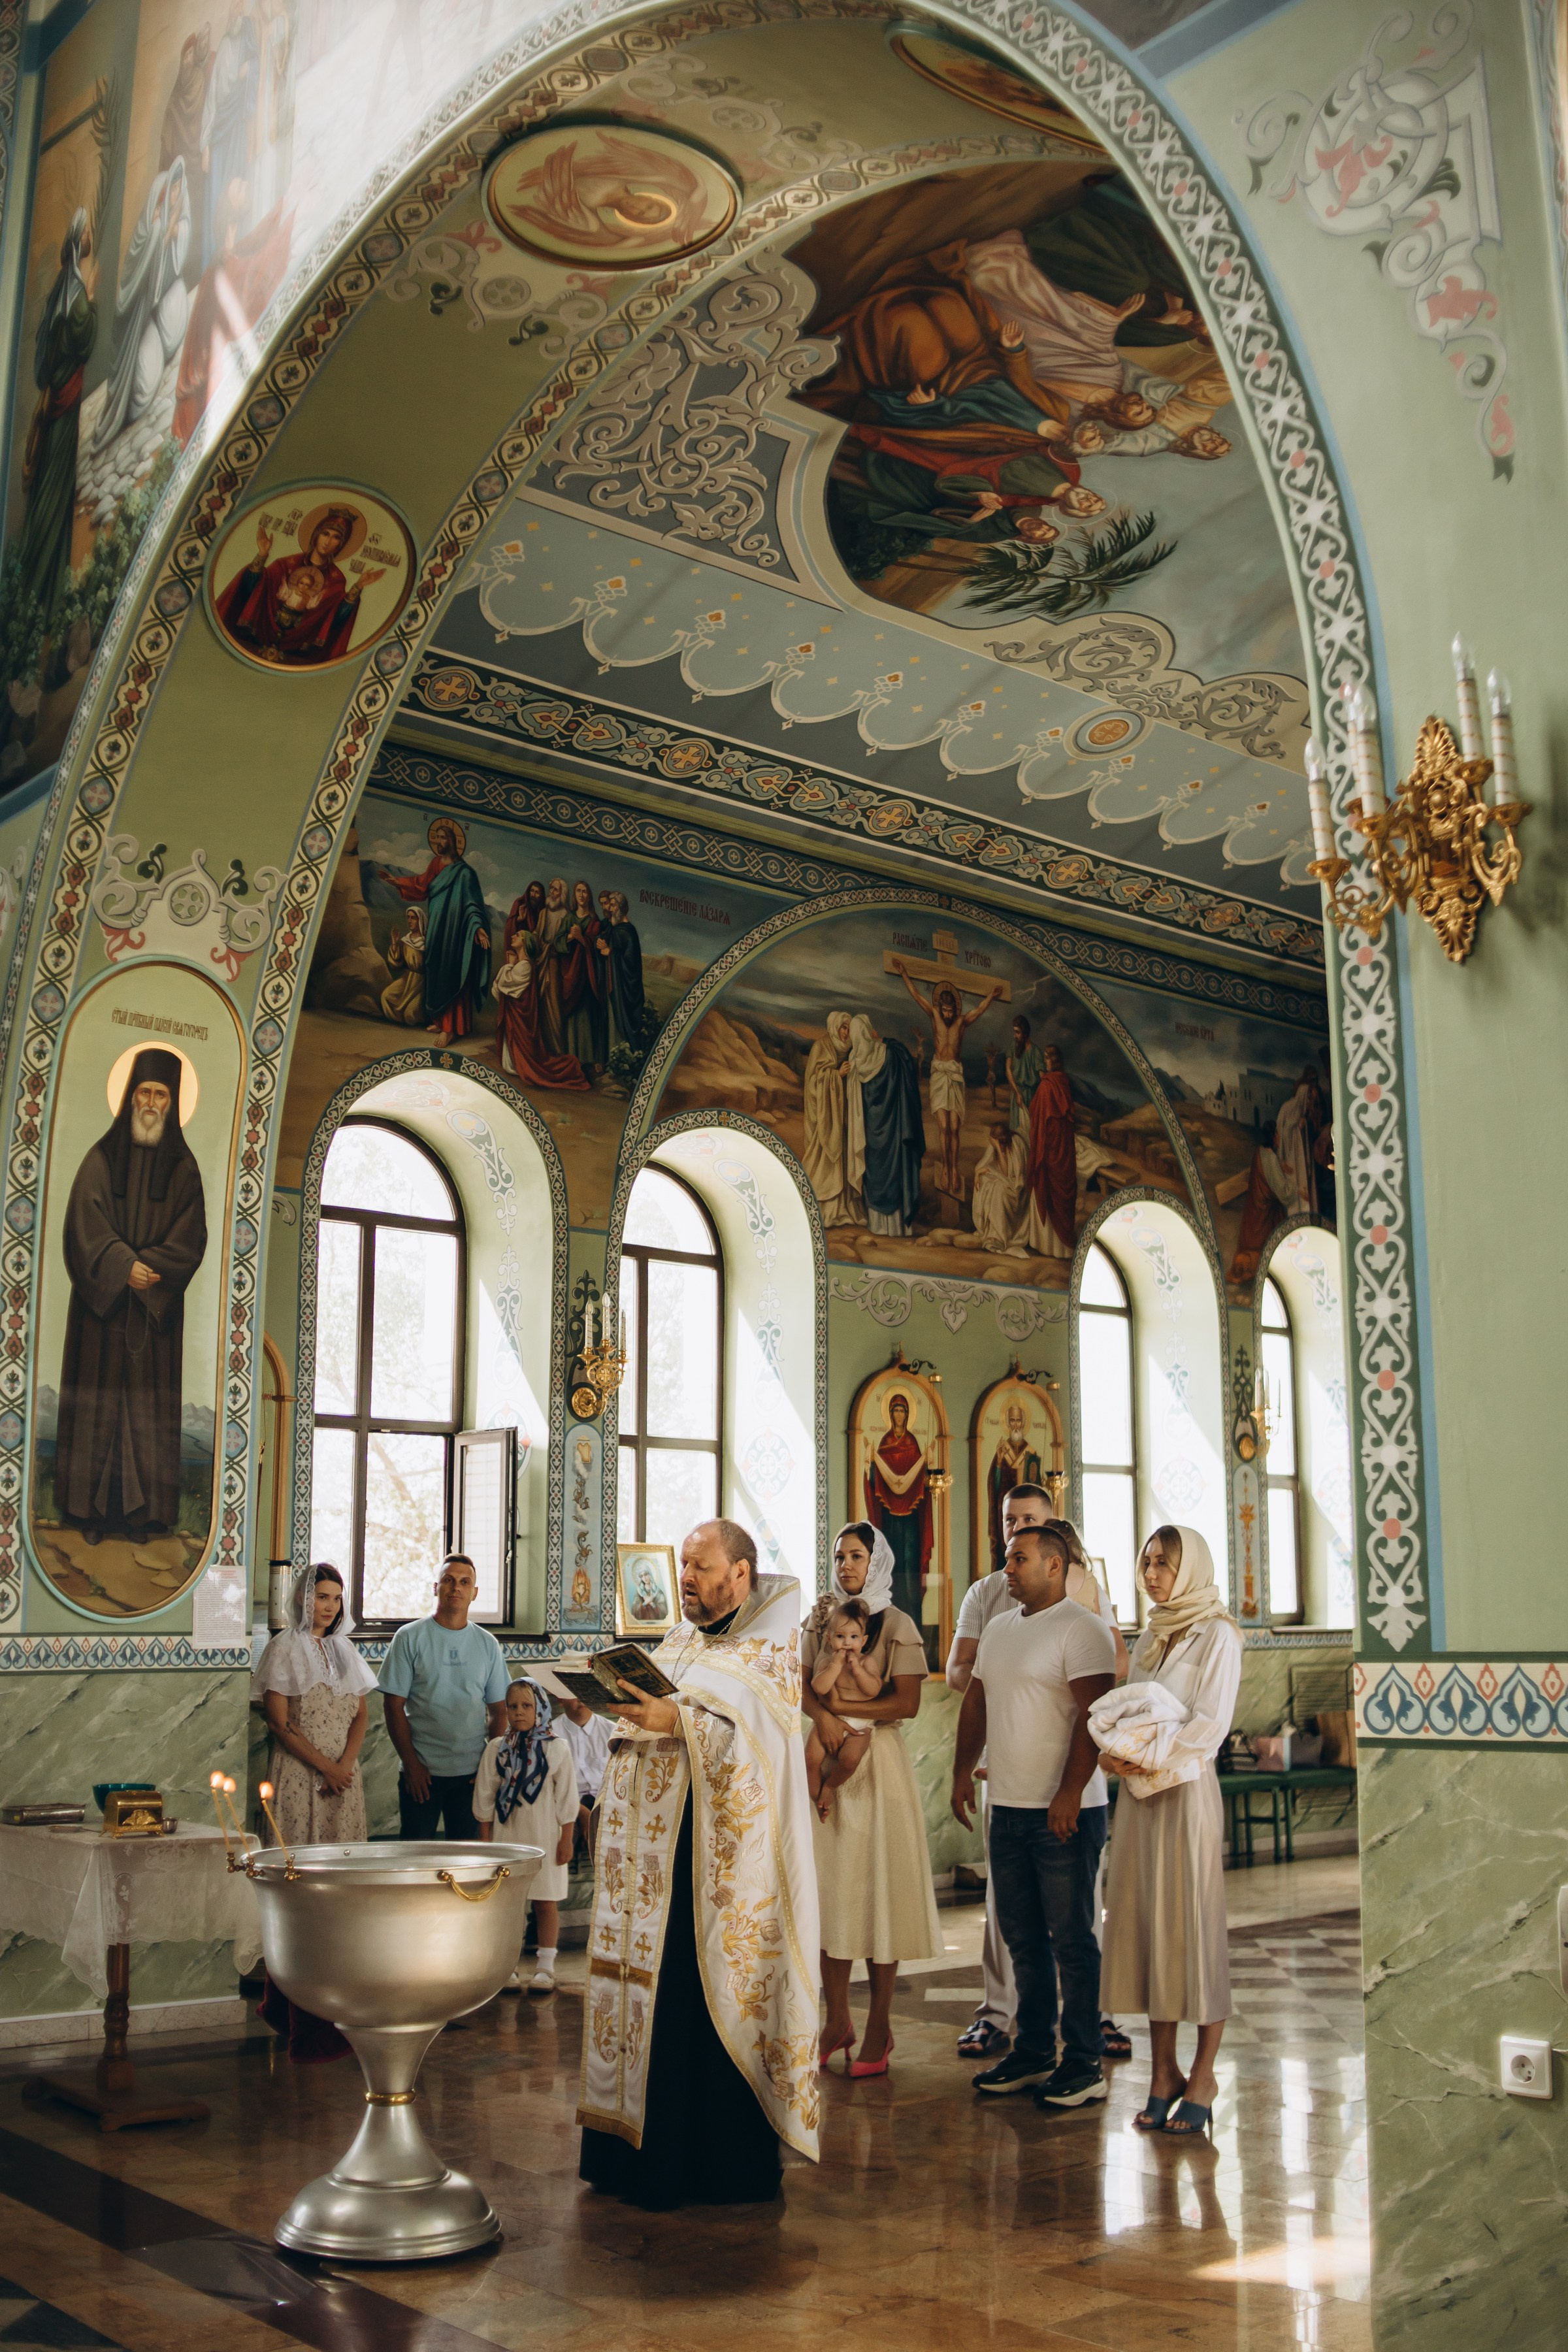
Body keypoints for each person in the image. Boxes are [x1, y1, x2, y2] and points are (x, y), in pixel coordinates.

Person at [578, 1519, 819, 2208]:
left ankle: (707, 2168)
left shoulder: (770, 1653)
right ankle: (629, 2161)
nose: (685, 1576)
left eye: (700, 1565)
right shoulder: (680, 1640)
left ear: (739, 1574)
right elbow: (658, 1713)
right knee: (645, 2003)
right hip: (652, 1865)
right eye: (682, 1563)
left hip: (712, 1874)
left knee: (696, 2004)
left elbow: (752, 1744)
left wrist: (673, 1722)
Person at [947, 1490, 1129, 2065]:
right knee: (1022, 1938)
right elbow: (974, 1702)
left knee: (1072, 1939)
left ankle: (1081, 2057)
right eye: (1006, 1553)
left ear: (1055, 1563)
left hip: (1065, 1809)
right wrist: (958, 1775)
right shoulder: (999, 1625)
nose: (1007, 1568)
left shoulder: (1084, 1628)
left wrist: (1070, 1791)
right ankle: (1029, 2050)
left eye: (1018, 1556)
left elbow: (1092, 1716)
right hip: (1009, 1802)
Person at [1097, 1524, 1242, 2138]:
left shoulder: (1219, 1635)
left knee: (1194, 1930)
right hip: (1140, 1798)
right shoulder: (1153, 1635)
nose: (1151, 1573)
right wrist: (1114, 1753)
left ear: (1191, 1569)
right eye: (1146, 1561)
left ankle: (1204, 2076)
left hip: (1185, 1796)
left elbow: (1207, 1726)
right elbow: (1129, 1710)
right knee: (1148, 1928)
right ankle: (1163, 2074)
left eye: (1164, 1563)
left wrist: (1144, 1757)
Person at [54, 1049, 207, 1544]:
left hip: (154, 1318)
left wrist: (155, 1270)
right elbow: (83, 1223)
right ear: (129, 1096)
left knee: (145, 1414)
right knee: (98, 1408)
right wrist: (124, 1266)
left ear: (173, 1101)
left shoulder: (184, 1169)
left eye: (161, 1094)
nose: (151, 1102)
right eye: (144, 1092)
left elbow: (192, 1237)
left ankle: (144, 1517)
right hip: (101, 1316)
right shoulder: (101, 1158)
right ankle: (89, 1513)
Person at [804, 1524, 939, 2078]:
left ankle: (879, 2025)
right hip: (829, 1755)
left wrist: (854, 1721)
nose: (845, 1564)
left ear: (877, 1561)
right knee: (830, 1893)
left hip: (877, 1766)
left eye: (857, 1555)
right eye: (838, 1555)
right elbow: (800, 1686)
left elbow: (906, 1705)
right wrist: (827, 1719)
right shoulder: (821, 1619)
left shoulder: (898, 1624)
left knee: (879, 1893)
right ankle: (836, 2020)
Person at [378, 1553, 510, 1841]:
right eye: (448, 1580)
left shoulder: (488, 1645)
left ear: (474, 1593)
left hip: (471, 1775)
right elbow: (393, 1706)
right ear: (435, 1587)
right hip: (420, 1774)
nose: (456, 1588)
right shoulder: (409, 1637)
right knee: (416, 1860)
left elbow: (500, 1710)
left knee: (468, 1862)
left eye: (465, 1582)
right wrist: (411, 1765)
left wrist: (489, 1765)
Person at [252, 1561, 377, 1844]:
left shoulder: (345, 1649)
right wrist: (327, 1768)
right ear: (302, 1598)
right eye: (322, 1598)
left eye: (336, 1599)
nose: (330, 1607)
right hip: (300, 1773)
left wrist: (344, 1767)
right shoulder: (283, 1647)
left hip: (344, 1777)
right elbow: (278, 1722)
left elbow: (361, 1715)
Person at [18, 210, 96, 645]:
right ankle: (42, 597)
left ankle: (44, 595)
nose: (89, 236)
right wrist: (94, 297)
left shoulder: (62, 290)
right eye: (85, 232)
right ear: (75, 239)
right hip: (63, 411)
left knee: (57, 493)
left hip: (60, 403)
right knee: (54, 495)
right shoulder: (72, 288)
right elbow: (79, 335)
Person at [474, 1678, 578, 1993]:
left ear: (541, 1709)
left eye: (527, 1706)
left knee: (546, 1903)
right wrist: (486, 1842)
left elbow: (568, 1798)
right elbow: (485, 1797)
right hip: (508, 1839)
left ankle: (545, 1968)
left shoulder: (557, 1748)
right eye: (512, 1707)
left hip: (547, 1836)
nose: (519, 1713)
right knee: (511, 1905)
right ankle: (509, 1968)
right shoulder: (497, 1749)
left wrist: (566, 1839)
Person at [216, 504, 387, 666]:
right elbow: (252, 588)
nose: (328, 541)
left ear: (341, 544)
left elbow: (336, 619)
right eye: (325, 534)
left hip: (299, 650)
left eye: (336, 538)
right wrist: (262, 555)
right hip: (259, 636)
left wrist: (358, 587)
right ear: (316, 535)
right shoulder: (285, 564)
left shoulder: (337, 580)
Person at [891, 962, 1004, 1197]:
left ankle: (954, 1169)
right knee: (943, 1127)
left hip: (955, 1076)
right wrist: (904, 973)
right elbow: (916, 996)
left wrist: (992, 995)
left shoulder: (962, 1022)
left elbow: (980, 1010)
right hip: (940, 1075)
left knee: (955, 1128)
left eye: (952, 1010)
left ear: (955, 1007)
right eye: (945, 1010)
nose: (949, 1014)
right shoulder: (934, 1016)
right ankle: (946, 1169)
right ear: (940, 1007)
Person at [383, 817, 490, 1041]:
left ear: (452, 841)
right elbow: (422, 885)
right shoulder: (435, 865)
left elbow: (473, 905)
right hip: (437, 929)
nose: (439, 841)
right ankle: (441, 1020)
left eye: (443, 837)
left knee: (453, 973)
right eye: (437, 837)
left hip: (456, 933)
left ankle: (451, 1028)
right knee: (437, 971)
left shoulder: (465, 873)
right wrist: (398, 882)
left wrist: (478, 928)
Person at [493, 898, 588, 1087]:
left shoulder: (525, 967)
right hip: (515, 1023)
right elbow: (500, 988)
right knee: (509, 1064)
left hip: (522, 1026)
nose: (513, 937)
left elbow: (505, 986)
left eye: (518, 935)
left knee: (528, 1066)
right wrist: (509, 967)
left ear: (525, 943)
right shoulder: (520, 966)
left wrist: (509, 967)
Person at [844, 1013, 925, 1237]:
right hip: (894, 1131)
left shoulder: (854, 1061)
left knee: (875, 1173)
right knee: (895, 1171)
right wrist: (885, 1041)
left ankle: (878, 1225)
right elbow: (908, 1061)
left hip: (869, 1132)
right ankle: (898, 1227)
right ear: (869, 1030)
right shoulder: (889, 1054)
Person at [803, 1597, 881, 1817]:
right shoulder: (827, 1663)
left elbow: (873, 1690)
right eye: (840, 1636)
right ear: (829, 1639)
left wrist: (859, 1672)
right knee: (809, 1759)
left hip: (860, 1723)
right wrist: (835, 1667)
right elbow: (819, 1687)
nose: (847, 1643)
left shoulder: (867, 1663)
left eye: (854, 1637)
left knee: (850, 1760)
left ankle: (830, 1786)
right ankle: (817, 1799)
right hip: (831, 1718)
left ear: (863, 1640)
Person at [863, 1390, 932, 1629]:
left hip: (912, 1519)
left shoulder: (913, 1444)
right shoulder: (884, 1445)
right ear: (890, 1415)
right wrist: (870, 1465)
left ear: (908, 1414)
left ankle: (914, 1624)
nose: (900, 1415)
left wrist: (927, 1465)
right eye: (896, 1410)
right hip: (890, 1521)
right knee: (892, 1568)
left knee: (911, 1568)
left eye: (903, 1410)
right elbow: (876, 1479)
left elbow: (921, 1481)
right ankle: (890, 1624)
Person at [802, 1010, 858, 1228]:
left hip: (843, 1113)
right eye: (843, 1028)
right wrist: (837, 1075)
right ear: (835, 1027)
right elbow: (813, 1082)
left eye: (848, 1028)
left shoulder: (850, 1049)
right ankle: (823, 1209)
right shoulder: (821, 1047)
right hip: (826, 1116)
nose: (846, 1033)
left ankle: (841, 1208)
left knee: (843, 1158)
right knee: (823, 1158)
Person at [1024, 1044, 1077, 1258]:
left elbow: (1037, 1114)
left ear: (1052, 1061)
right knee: (1061, 1188)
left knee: (1045, 1184)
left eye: (1047, 1058)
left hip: (1049, 1145)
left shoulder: (1047, 1086)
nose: (1045, 1062)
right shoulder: (1064, 1083)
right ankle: (1060, 1248)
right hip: (1064, 1147)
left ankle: (1044, 1244)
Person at [971, 1122, 1029, 1254]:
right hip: (1007, 1182)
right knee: (988, 1183)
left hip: (1018, 1190)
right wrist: (977, 1173)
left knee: (997, 1189)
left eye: (998, 1142)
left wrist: (997, 1147)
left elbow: (1007, 1173)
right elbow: (983, 1165)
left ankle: (999, 1236)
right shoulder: (1000, 1143)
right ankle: (990, 1230)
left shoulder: (1016, 1143)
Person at [380, 903, 427, 1025]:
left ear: (420, 920)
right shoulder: (405, 941)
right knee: (386, 996)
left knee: (410, 1014)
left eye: (413, 918)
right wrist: (395, 943)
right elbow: (396, 964)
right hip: (407, 980)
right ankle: (397, 1022)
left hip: (422, 984)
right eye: (408, 917)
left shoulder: (427, 942)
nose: (410, 921)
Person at [1006, 1015, 1044, 1139]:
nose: (1015, 1036)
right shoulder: (1014, 1045)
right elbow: (1008, 1070)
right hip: (1016, 1093)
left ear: (1025, 1033)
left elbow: (1043, 1077)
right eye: (1014, 1032)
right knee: (1015, 1133)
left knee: (1030, 1133)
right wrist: (1017, 1092)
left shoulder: (1036, 1052)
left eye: (1018, 1032)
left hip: (1031, 1097)